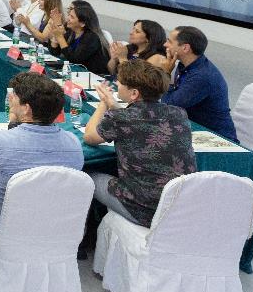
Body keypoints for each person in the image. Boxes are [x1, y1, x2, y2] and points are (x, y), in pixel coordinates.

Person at [83, 61, 196, 225]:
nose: (117, 84)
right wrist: (114, 106)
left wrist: (103, 104)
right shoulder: (179, 113)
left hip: (144, 209)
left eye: (121, 82)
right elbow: (139, 119)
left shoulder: (120, 118)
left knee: (86, 177)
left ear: (134, 93)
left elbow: (89, 136)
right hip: (179, 205)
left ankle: (90, 233)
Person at [0, 73, 84, 230]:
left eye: (14, 96)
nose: (10, 98)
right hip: (54, 228)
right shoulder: (74, 143)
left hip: (0, 229)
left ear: (26, 109)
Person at [163, 26, 238, 142]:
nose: (165, 45)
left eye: (169, 41)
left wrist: (166, 73)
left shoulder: (202, 76)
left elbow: (168, 106)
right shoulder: (185, 65)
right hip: (192, 131)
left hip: (217, 140)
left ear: (185, 48)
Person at [48, 0, 110, 75]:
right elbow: (55, 52)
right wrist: (55, 37)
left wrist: (60, 37)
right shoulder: (71, 31)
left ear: (82, 23)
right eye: (69, 15)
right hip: (77, 73)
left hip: (96, 76)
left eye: (72, 17)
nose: (67, 19)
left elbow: (74, 59)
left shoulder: (92, 37)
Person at [107, 19, 172, 75]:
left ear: (149, 38)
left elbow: (135, 80)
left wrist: (122, 58)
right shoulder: (129, 49)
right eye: (133, 29)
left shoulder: (156, 58)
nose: (131, 33)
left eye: (137, 31)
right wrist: (114, 59)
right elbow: (111, 71)